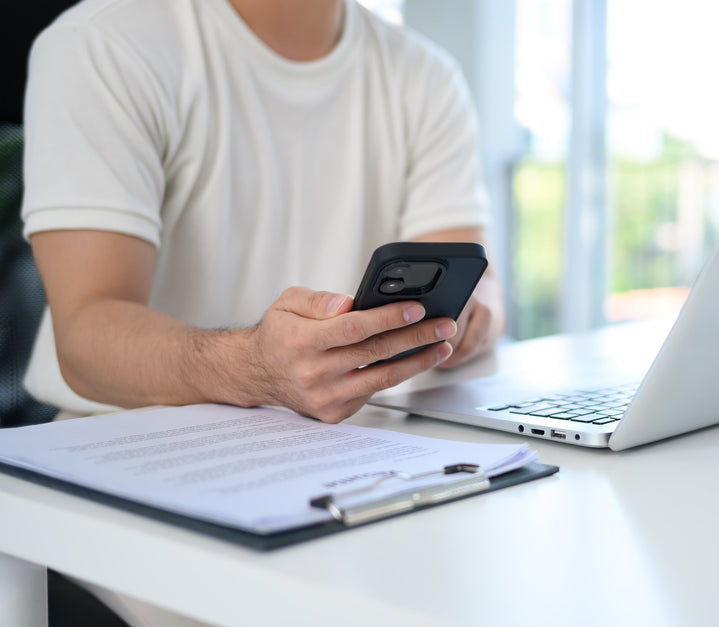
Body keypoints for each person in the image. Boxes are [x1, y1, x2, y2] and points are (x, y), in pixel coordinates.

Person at [21, 0, 503, 623]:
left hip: (356, 457)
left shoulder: (426, 75)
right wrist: (254, 366)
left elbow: (478, 277)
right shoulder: (102, 43)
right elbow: (88, 332)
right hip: (134, 460)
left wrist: (471, 316)